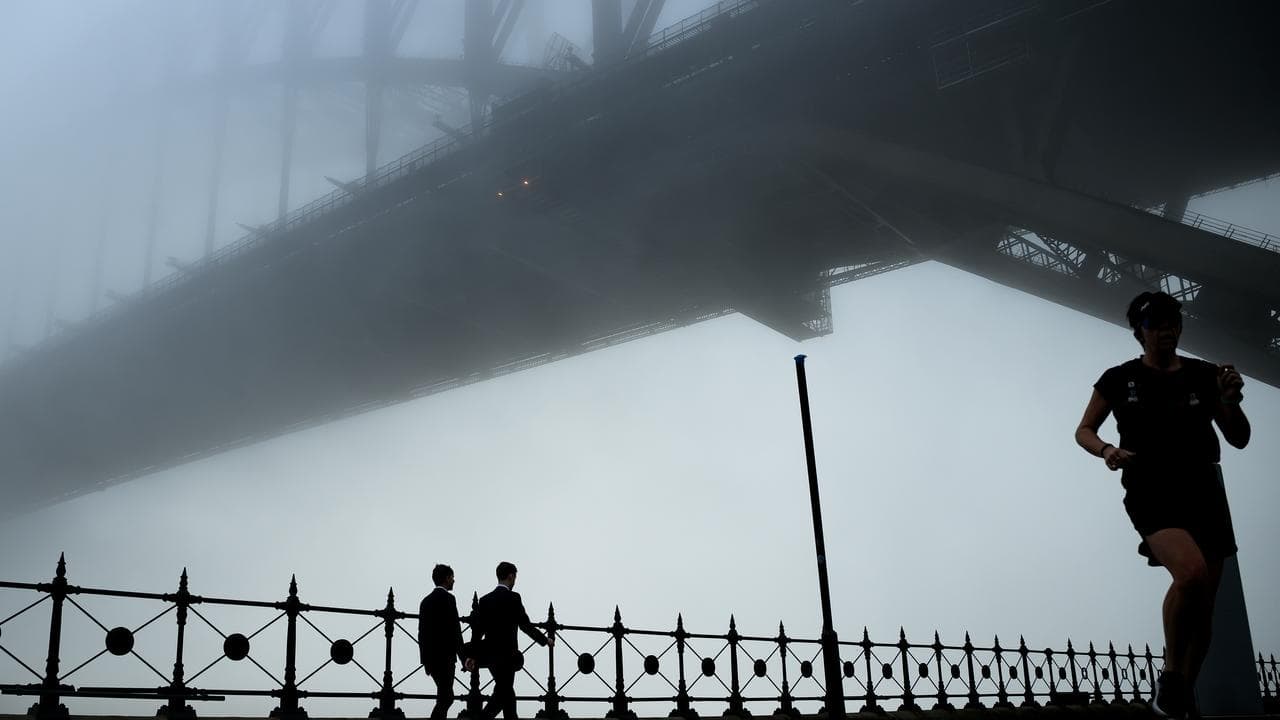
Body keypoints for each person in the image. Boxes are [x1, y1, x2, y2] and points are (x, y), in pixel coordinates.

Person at [1074, 291, 1250, 719]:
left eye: (1174, 322)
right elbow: (1084, 430)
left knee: (1204, 606)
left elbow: (1240, 437)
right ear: (1140, 332)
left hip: (1204, 488)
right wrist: (1106, 450)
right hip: (1151, 486)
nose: (1168, 330)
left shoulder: (1206, 375)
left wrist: (1228, 399)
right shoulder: (1117, 378)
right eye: (1157, 324)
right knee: (1190, 575)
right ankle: (1172, 676)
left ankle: (1179, 698)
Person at [464, 562, 551, 720]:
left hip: (490, 655)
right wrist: (545, 640)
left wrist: (471, 655)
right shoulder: (514, 598)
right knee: (503, 694)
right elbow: (525, 626)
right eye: (515, 577)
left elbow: (477, 633)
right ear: (511, 576)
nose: (515, 581)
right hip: (508, 656)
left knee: (506, 693)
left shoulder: (485, 600)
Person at [419, 564, 465, 720]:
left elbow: (422, 634)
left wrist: (424, 660)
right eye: (452, 577)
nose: (454, 580)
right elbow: (455, 631)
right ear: (447, 578)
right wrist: (464, 658)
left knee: (443, 695)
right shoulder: (449, 599)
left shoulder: (425, 601)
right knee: (447, 697)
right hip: (447, 658)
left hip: (432, 658)